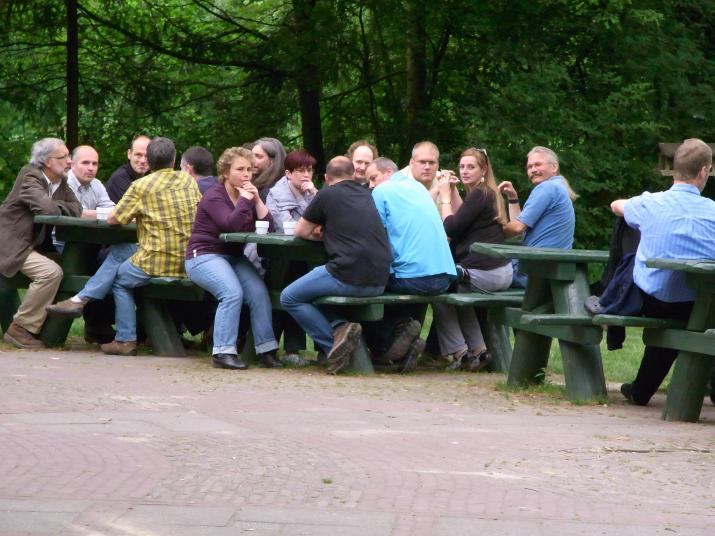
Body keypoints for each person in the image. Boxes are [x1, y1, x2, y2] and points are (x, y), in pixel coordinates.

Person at [610, 138, 715, 406]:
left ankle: (641, 389)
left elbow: (616, 206)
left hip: (655, 301)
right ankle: (644, 389)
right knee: (695, 312)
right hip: (702, 303)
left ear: (675, 168)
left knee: (628, 229)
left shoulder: (650, 203)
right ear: (704, 171)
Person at [280, 156, 392, 374]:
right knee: (317, 293)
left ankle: (334, 346)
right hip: (379, 280)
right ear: (352, 175)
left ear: (326, 178)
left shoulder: (327, 194)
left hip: (347, 274)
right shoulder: (367, 194)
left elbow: (300, 231)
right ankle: (340, 326)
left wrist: (322, 236)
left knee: (289, 297)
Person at [100, 137, 201, 356]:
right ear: (174, 160)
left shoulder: (140, 186)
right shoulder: (188, 181)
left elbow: (113, 219)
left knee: (119, 279)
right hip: (190, 261)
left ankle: (125, 340)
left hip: (154, 262)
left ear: (150, 161)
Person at [185, 147, 281, 370]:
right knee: (231, 293)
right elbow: (231, 225)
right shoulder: (214, 196)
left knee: (258, 292)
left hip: (233, 257)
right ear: (226, 172)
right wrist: (246, 200)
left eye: (249, 169)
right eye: (240, 169)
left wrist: (256, 199)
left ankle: (266, 350)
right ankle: (223, 352)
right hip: (204, 255)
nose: (246, 174)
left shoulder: (247, 195)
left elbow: (269, 226)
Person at [365, 157, 456, 372]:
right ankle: (402, 345)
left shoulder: (381, 192)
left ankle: (385, 346)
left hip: (414, 279)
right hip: (444, 278)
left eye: (373, 178)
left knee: (363, 288)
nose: (370, 185)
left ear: (388, 172)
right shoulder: (418, 188)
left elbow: (377, 236)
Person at [432, 147, 513, 371]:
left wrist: (445, 197)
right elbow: (463, 217)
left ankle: (460, 352)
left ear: (484, 169)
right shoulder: (485, 192)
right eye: (462, 167)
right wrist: (455, 190)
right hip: (501, 271)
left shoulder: (480, 193)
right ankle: (479, 351)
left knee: (437, 291)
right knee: (459, 293)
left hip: (487, 274)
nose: (465, 171)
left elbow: (452, 227)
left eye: (471, 167)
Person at [0, 137, 82, 349]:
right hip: (11, 244)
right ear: (47, 161)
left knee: (70, 268)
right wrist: (57, 206)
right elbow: (46, 210)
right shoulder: (30, 175)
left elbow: (77, 208)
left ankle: (51, 328)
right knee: (50, 272)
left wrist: (56, 205)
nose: (69, 162)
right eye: (63, 157)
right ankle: (19, 328)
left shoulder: (60, 181)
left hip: (35, 245)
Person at [265, 150, 319, 367]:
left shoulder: (312, 193)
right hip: (279, 257)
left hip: (307, 256)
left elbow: (327, 220)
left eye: (309, 170)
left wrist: (316, 195)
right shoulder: (276, 194)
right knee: (289, 286)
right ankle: (287, 348)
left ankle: (316, 348)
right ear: (288, 173)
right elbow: (288, 226)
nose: (306, 175)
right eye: (300, 170)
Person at [498, 146, 576, 287]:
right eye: (529, 167)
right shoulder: (558, 187)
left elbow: (517, 228)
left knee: (476, 271)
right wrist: (513, 198)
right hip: (551, 271)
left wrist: (488, 232)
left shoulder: (547, 188)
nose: (533, 169)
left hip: (534, 273)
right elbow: (520, 227)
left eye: (538, 164)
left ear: (554, 167)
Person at [65, 144, 118, 344]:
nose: (91, 168)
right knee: (103, 264)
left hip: (89, 243)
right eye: (85, 163)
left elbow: (114, 212)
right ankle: (96, 325)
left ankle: (97, 326)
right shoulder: (64, 184)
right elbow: (73, 213)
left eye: (94, 163)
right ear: (72, 164)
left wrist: (88, 213)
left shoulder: (96, 185)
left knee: (111, 262)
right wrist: (91, 214)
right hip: (63, 243)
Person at [106, 135, 151, 203]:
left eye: (147, 156)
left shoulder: (150, 177)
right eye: (138, 155)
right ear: (129, 154)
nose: (143, 161)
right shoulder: (119, 178)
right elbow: (134, 211)